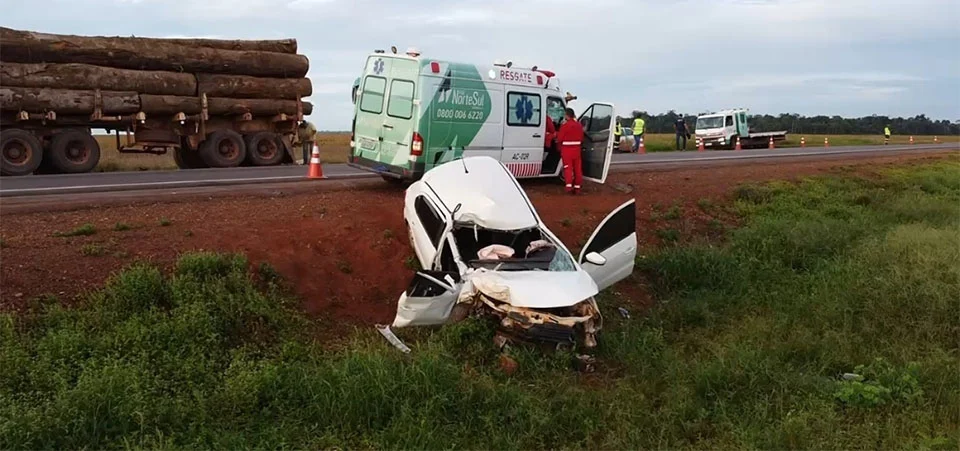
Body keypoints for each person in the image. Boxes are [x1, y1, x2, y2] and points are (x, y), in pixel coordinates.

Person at [556, 108, 584, 194]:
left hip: (567, 150)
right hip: (577, 150)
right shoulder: (579, 125)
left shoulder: (565, 126)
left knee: (568, 168)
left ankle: (568, 187)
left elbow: (559, 138)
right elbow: (582, 138)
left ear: (567, 115)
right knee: (577, 169)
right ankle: (577, 187)